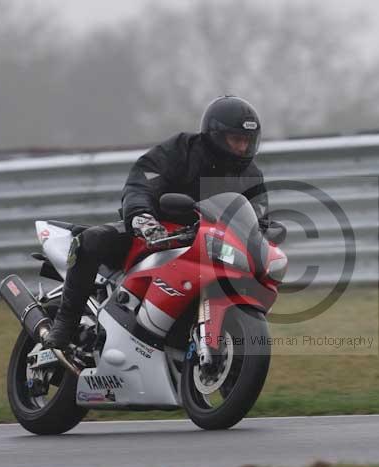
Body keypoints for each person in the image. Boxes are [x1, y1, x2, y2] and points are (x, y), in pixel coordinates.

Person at [44, 95, 269, 350]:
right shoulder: (181, 149)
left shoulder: (251, 175)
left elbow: (257, 218)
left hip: (207, 247)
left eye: (247, 141)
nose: (242, 148)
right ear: (215, 136)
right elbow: (143, 180)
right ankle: (65, 324)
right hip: (157, 232)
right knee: (91, 239)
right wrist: (142, 217)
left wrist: (263, 237)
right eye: (236, 140)